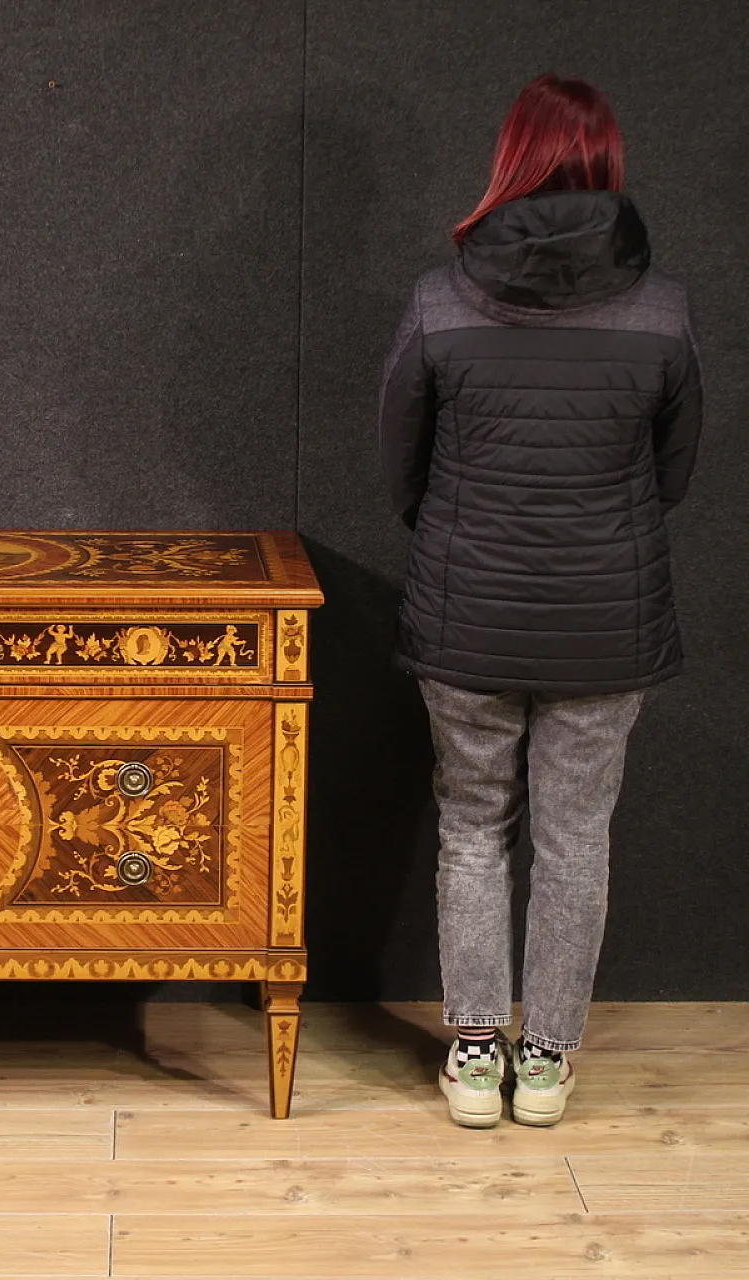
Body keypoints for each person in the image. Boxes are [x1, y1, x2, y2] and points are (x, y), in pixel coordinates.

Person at [379, 74, 702, 1128]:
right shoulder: (660, 309)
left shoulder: (438, 300)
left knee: (470, 828)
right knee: (575, 840)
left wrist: (464, 536)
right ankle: (547, 1061)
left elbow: (401, 465)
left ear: (508, 159)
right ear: (607, 164)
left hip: (464, 609)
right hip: (607, 619)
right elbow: (670, 472)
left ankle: (473, 1053)